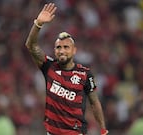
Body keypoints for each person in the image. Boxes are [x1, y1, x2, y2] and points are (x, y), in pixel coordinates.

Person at [25, 3, 109, 135]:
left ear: (74, 50)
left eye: (66, 47)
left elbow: (94, 102)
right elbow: (31, 45)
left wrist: (103, 129)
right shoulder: (49, 66)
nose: (62, 51)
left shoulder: (85, 74)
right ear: (54, 50)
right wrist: (38, 24)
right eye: (58, 47)